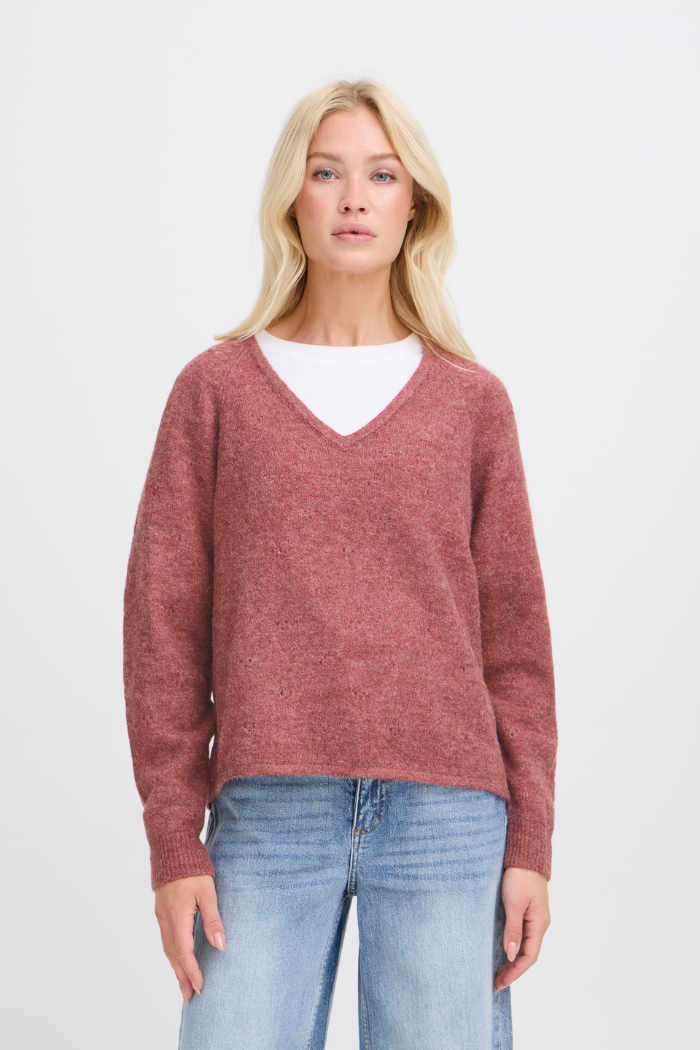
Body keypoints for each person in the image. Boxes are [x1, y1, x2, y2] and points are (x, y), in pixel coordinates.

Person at [123, 77, 558, 1050]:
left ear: (415, 207)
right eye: (326, 173)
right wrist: (172, 844)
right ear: (292, 199)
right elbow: (162, 628)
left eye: (381, 175)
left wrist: (530, 841)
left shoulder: (472, 403)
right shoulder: (216, 393)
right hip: (267, 811)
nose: (354, 198)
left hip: (448, 814)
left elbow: (517, 643)